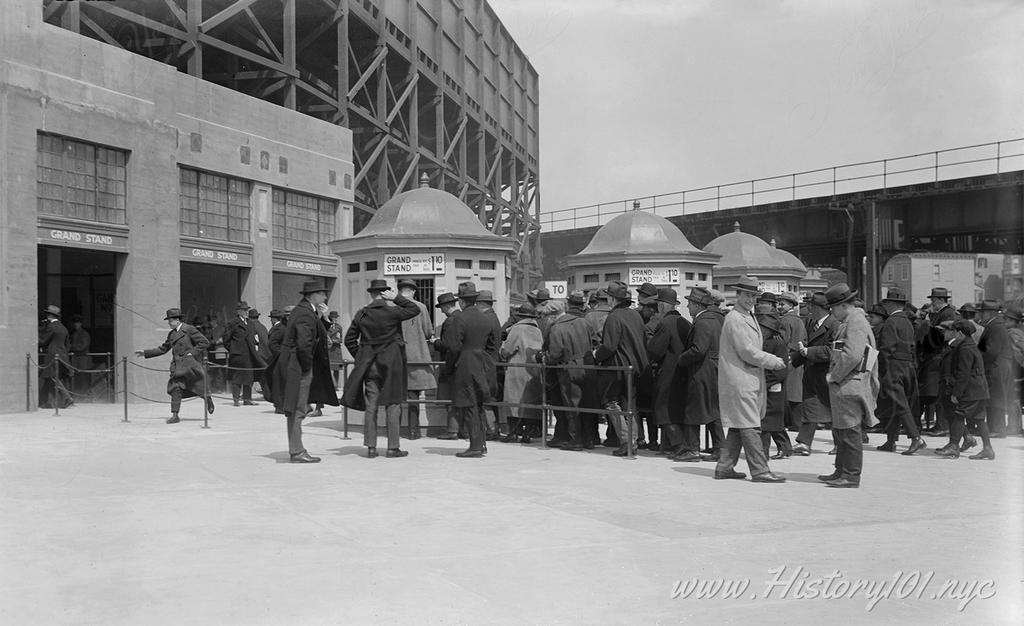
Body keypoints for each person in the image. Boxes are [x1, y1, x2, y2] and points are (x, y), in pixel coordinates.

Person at [715, 276, 787, 483]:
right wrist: (773, 360)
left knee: (740, 425)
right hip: (741, 379)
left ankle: (724, 467)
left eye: (753, 296)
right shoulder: (736, 318)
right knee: (750, 426)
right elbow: (747, 351)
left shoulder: (745, 315)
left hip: (745, 379)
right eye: (747, 295)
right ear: (737, 295)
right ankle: (760, 470)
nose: (750, 299)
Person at [342, 279, 421, 458]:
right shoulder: (393, 311)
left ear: (371, 294)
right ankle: (393, 447)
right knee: (393, 403)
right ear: (385, 293)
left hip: (370, 364)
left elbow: (349, 340)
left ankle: (371, 446)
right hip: (392, 363)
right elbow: (414, 309)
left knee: (372, 404)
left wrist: (361, 356)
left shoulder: (361, 314)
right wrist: (398, 298)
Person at [817, 283, 880, 488]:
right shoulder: (851, 320)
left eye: (833, 308)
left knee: (850, 430)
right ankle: (840, 470)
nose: (832, 312)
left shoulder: (856, 321)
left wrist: (834, 376)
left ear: (843, 305)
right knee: (842, 430)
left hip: (850, 383)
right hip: (847, 383)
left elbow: (852, 354)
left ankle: (851, 475)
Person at [279, 280, 339, 463]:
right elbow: (304, 343)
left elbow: (320, 330)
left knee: (296, 409)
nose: (325, 297)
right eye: (322, 294)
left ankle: (296, 448)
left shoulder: (306, 311)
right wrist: (307, 367)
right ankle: (297, 451)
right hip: (300, 367)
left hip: (297, 365)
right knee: (297, 410)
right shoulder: (305, 313)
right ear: (313, 295)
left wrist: (323, 315)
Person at [593, 280, 649, 458]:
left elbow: (609, 346)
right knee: (629, 405)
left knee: (611, 403)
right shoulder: (635, 315)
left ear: (612, 298)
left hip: (617, 367)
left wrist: (595, 355)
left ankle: (626, 441)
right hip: (635, 367)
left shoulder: (614, 317)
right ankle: (634, 440)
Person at [671, 287, 725, 462]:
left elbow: (698, 349)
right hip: (715, 371)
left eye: (689, 304)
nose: (687, 307)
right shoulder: (717, 319)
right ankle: (720, 448)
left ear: (696, 304)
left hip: (701, 371)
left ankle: (692, 449)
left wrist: (681, 359)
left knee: (693, 411)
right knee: (713, 411)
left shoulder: (702, 322)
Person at [135, 308, 214, 423]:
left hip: (190, 366)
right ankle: (175, 415)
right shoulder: (171, 334)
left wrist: (192, 353)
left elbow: (204, 342)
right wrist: (146, 352)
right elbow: (163, 349)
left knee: (197, 386)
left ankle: (207, 397)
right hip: (177, 367)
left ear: (177, 320)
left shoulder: (189, 329)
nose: (168, 323)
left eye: (170, 320)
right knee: (175, 388)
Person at [450, 284, 502, 457]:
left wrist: (450, 366)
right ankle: (482, 443)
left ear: (461, 301)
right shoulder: (486, 318)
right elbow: (492, 345)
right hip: (482, 363)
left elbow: (454, 346)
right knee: (479, 404)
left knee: (469, 405)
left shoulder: (460, 318)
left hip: (466, 363)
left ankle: (475, 446)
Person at [875, 288, 926, 455]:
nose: (886, 307)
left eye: (887, 303)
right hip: (907, 366)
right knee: (895, 403)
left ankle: (916, 438)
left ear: (891, 304)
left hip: (892, 366)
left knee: (899, 402)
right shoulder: (907, 321)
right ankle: (891, 440)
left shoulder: (890, 322)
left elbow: (886, 348)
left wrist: (881, 368)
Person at [934, 320, 995, 460]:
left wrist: (956, 393)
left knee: (959, 414)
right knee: (979, 418)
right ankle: (988, 449)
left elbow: (963, 373)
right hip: (979, 388)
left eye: (955, 331)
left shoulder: (964, 349)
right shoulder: (971, 346)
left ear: (960, 333)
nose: (954, 334)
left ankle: (954, 446)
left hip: (971, 389)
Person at [545, 290, 596, 450]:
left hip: (569, 368)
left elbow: (555, 354)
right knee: (587, 403)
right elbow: (594, 340)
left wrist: (544, 357)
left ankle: (575, 440)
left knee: (571, 404)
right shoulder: (583, 322)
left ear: (553, 315)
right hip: (587, 365)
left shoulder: (557, 328)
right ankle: (590, 439)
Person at [790, 292, 838, 456]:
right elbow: (805, 347)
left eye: (811, 305)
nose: (808, 308)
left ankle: (840, 443)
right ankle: (804, 443)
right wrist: (793, 360)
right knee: (809, 407)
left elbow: (832, 351)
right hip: (811, 372)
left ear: (820, 308)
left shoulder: (834, 325)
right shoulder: (811, 322)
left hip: (826, 373)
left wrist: (808, 352)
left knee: (834, 409)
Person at [645, 288, 690, 455]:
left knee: (663, 411)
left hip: (668, 373)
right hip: (683, 372)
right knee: (678, 410)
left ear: (663, 306)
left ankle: (678, 446)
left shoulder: (664, 323)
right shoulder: (685, 322)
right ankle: (673, 445)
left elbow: (655, 351)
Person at [396, 279, 436, 440]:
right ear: (413, 291)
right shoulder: (421, 307)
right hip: (416, 355)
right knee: (413, 396)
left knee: (396, 396)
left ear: (400, 291)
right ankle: (414, 430)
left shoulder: (392, 306)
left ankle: (395, 430)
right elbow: (427, 332)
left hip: (396, 356)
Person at [500, 303, 544, 442]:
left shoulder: (517, 329)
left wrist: (502, 352)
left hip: (517, 369)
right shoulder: (538, 330)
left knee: (514, 400)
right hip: (534, 370)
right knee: (531, 402)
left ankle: (513, 432)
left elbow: (507, 350)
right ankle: (528, 433)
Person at [918, 288, 957, 435]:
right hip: (937, 355)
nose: (931, 303)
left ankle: (943, 425)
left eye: (933, 300)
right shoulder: (942, 313)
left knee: (940, 391)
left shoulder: (948, 313)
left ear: (940, 300)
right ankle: (941, 424)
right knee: (937, 391)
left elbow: (940, 334)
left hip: (940, 355)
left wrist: (927, 324)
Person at [976, 299, 1013, 437]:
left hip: (997, 365)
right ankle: (994, 428)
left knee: (997, 396)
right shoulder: (993, 325)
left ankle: (998, 428)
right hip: (997, 365)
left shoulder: (995, 326)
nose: (981, 315)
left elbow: (992, 351)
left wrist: (978, 359)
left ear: (990, 313)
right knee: (993, 396)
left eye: (983, 312)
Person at [757, 313, 791, 459]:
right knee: (771, 421)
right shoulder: (760, 341)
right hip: (764, 385)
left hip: (773, 387)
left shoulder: (777, 343)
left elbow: (781, 370)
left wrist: (765, 381)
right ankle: (784, 447)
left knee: (769, 421)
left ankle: (764, 452)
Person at [433, 291, 463, 440]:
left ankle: (452, 430)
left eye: (442, 307)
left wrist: (436, 343)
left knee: (450, 398)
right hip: (461, 363)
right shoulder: (461, 317)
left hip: (450, 364)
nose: (441, 311)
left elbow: (449, 345)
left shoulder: (451, 321)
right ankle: (459, 429)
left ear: (446, 306)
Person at [222, 301, 264, 406]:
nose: (246, 312)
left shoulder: (250, 323)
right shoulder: (233, 323)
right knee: (237, 377)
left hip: (249, 354)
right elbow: (226, 339)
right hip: (238, 355)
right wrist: (233, 350)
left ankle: (247, 399)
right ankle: (236, 399)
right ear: (238, 311)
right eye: (244, 310)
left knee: (248, 377)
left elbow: (253, 338)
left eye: (247, 310)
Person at [778, 292, 806, 434]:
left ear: (790, 305)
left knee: (788, 391)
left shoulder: (785, 320)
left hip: (788, 357)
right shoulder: (799, 320)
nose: (779, 306)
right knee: (797, 390)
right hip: (800, 358)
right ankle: (797, 422)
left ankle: (791, 422)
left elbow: (782, 342)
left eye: (782, 304)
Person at [39, 304, 71, 409]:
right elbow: (67, 345)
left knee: (53, 378)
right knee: (53, 378)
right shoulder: (63, 328)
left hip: (52, 356)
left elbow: (43, 340)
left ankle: (67, 397)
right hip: (62, 356)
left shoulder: (51, 327)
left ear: (49, 315)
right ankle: (51, 403)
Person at [1004, 305, 1024, 436]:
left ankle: (1014, 427)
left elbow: (1017, 354)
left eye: (1007, 319)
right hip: (1019, 370)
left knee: (1014, 399)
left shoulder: (1013, 334)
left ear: (1013, 321)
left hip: (1016, 371)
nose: (1005, 321)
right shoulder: (1019, 332)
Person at [248, 308, 271, 402]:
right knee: (262, 377)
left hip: (256, 355)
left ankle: (247, 395)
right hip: (265, 355)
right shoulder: (262, 326)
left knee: (250, 376)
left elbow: (253, 342)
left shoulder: (251, 327)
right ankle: (267, 395)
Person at [68, 314, 92, 396]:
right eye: (75, 322)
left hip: (83, 359)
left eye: (77, 322)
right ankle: (77, 395)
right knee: (76, 378)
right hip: (75, 359)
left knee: (83, 378)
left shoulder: (85, 334)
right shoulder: (73, 334)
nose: (75, 324)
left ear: (81, 323)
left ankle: (84, 395)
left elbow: (82, 347)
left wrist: (70, 347)